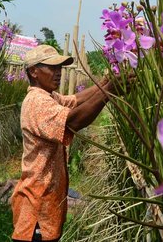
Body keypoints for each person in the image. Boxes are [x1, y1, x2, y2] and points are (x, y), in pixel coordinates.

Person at [11, 44, 114, 242]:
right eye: (52, 68)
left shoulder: (49, 96)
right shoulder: (37, 102)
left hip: (46, 205)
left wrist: (103, 84)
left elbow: (76, 100)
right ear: (34, 71)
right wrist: (108, 92)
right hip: (36, 209)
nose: (58, 72)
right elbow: (73, 121)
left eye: (60, 68)